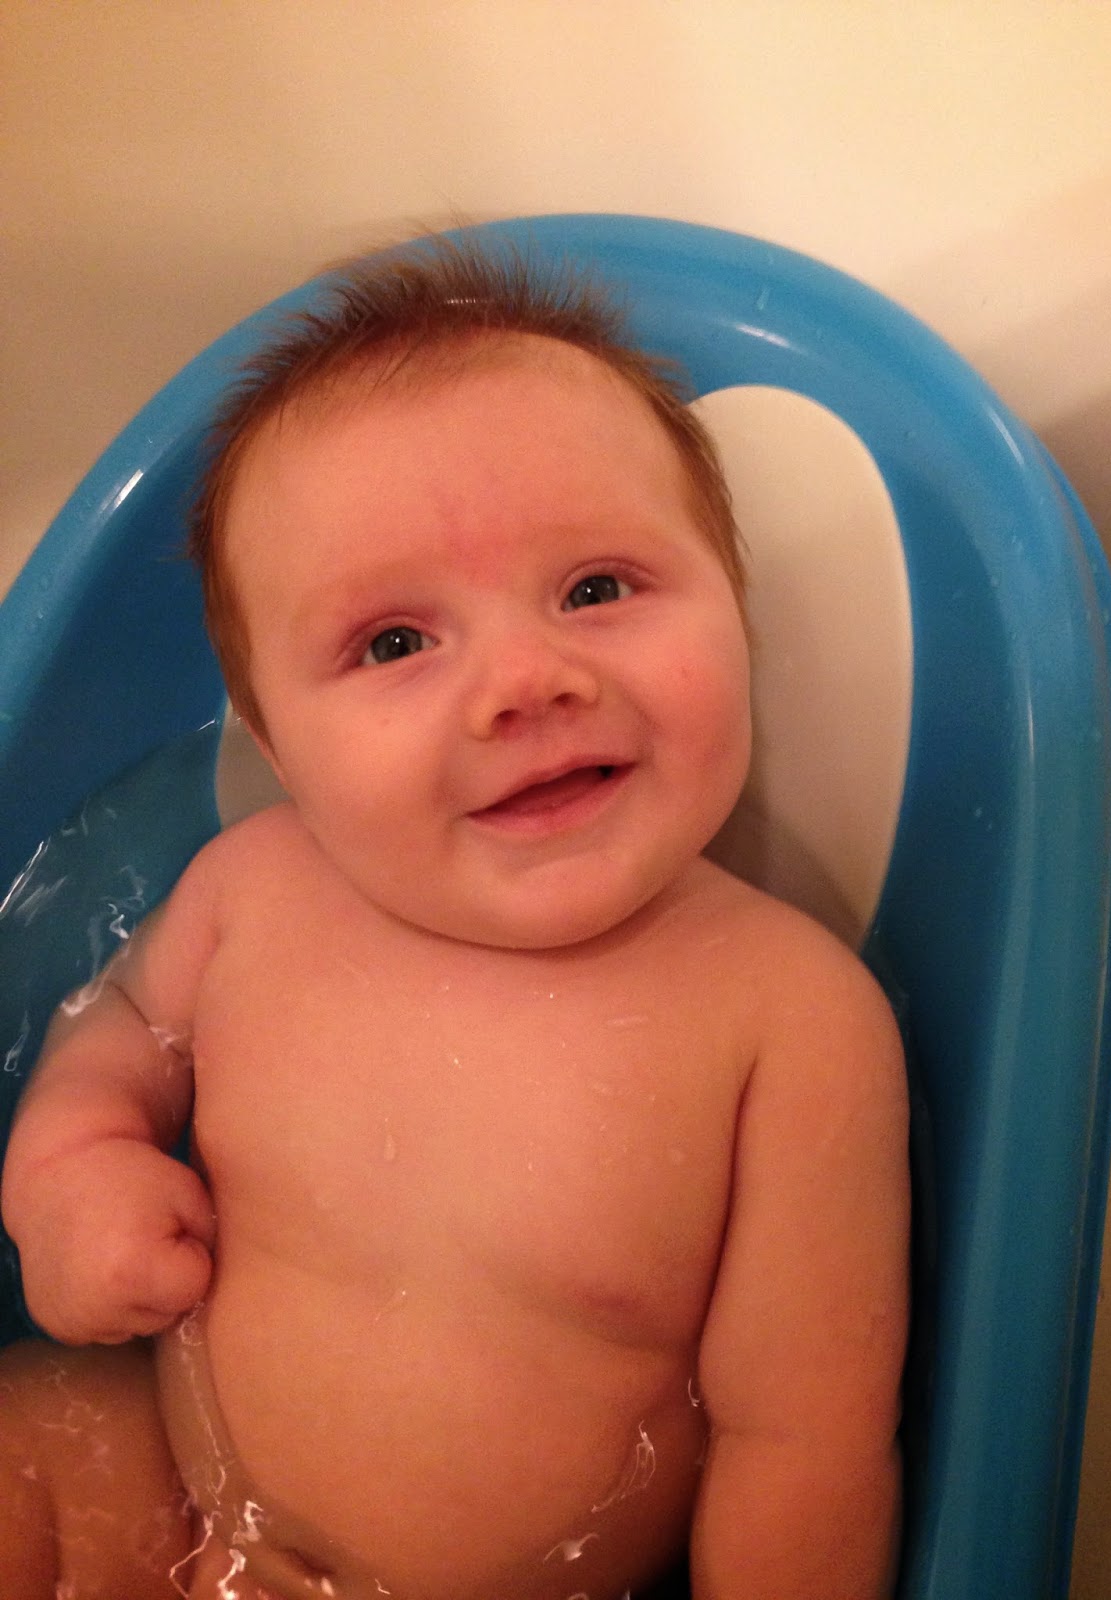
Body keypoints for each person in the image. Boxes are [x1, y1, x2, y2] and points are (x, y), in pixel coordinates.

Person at [0, 237, 910, 1600]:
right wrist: (69, 1178)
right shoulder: (253, 888)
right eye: (395, 643)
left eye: (596, 588)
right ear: (277, 742)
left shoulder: (791, 1019)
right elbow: (117, 1030)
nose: (526, 681)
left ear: (739, 614)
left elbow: (804, 1441)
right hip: (168, 1489)